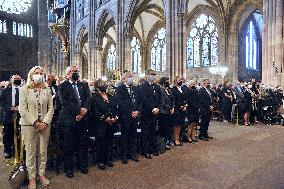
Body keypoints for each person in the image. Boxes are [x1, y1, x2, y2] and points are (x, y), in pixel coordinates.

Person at [19, 66, 54, 189]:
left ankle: (42, 174)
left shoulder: (47, 89)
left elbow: (51, 108)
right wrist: (35, 122)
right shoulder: (24, 89)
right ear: (31, 75)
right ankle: (32, 178)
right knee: (31, 153)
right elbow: (22, 109)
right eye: (36, 73)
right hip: (29, 125)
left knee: (43, 151)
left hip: (45, 125)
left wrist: (44, 123)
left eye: (41, 73)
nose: (39, 75)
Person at [58, 65, 90, 178]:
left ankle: (82, 166)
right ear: (67, 74)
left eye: (77, 71)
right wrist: (78, 111)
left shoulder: (83, 85)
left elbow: (87, 99)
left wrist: (84, 110)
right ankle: (69, 168)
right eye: (73, 71)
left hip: (82, 119)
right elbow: (64, 102)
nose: (75, 72)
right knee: (69, 145)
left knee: (82, 144)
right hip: (69, 119)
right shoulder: (62, 86)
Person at [90, 78, 118, 170]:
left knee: (109, 141)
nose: (104, 85)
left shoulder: (110, 96)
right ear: (97, 86)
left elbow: (114, 107)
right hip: (100, 124)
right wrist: (105, 118)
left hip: (111, 123)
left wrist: (114, 117)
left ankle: (107, 159)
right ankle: (100, 161)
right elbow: (95, 111)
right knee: (100, 143)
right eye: (101, 83)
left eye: (105, 83)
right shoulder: (95, 97)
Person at [114, 72, 140, 164]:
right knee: (125, 136)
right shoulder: (120, 89)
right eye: (129, 77)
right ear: (124, 78)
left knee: (133, 135)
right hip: (125, 116)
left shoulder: (135, 88)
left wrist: (137, 111)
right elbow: (120, 102)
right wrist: (130, 112)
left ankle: (132, 153)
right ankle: (124, 155)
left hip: (135, 116)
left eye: (132, 77)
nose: (131, 78)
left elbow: (138, 101)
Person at [139, 69, 162, 159]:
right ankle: (145, 151)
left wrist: (158, 108)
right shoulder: (143, 87)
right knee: (145, 133)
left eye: (154, 74)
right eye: (152, 74)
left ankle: (153, 149)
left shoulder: (157, 86)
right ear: (147, 75)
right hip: (146, 113)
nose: (153, 76)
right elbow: (144, 100)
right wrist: (152, 108)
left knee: (153, 132)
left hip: (155, 113)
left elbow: (160, 98)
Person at [0, 75, 22, 158]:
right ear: (11, 80)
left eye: (18, 80)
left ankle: (17, 150)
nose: (17, 81)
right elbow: (2, 103)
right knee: (7, 133)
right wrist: (11, 108)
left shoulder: (23, 90)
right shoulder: (5, 91)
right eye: (15, 79)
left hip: (20, 116)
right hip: (8, 115)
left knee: (18, 133)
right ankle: (7, 150)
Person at [158, 77, 174, 150]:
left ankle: (167, 142)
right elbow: (162, 102)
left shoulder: (169, 90)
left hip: (169, 112)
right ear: (163, 82)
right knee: (163, 128)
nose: (168, 82)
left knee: (168, 128)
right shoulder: (161, 90)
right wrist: (170, 108)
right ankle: (162, 144)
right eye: (166, 81)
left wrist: (173, 107)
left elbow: (172, 99)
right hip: (163, 112)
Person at [171, 76, 188, 146]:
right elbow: (174, 100)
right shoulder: (173, 89)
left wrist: (185, 105)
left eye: (181, 80)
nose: (180, 81)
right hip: (177, 109)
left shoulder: (183, 89)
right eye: (178, 80)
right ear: (175, 81)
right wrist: (180, 106)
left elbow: (186, 98)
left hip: (183, 109)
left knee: (180, 124)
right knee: (176, 125)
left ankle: (178, 138)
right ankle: (176, 139)